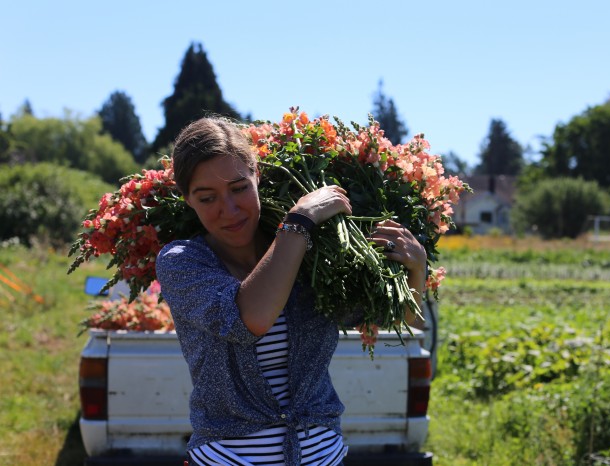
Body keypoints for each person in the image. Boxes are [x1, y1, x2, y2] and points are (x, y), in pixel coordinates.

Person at [155, 116, 427, 466]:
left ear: (258, 175)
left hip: (322, 457)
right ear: (187, 199)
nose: (230, 209)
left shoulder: (310, 256)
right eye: (207, 198)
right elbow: (249, 318)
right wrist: (299, 220)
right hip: (228, 458)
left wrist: (415, 269)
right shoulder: (182, 262)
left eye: (239, 188)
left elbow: (401, 320)